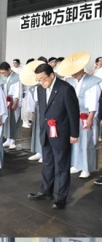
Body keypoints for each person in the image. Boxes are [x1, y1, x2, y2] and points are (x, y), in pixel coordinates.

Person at [27, 63, 80, 209]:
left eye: (43, 79)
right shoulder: (40, 89)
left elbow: (73, 113)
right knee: (48, 163)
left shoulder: (65, 89)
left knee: (62, 166)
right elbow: (43, 110)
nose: (41, 83)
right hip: (46, 132)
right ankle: (46, 191)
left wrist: (74, 134)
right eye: (38, 80)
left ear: (52, 75)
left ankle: (60, 197)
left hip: (61, 133)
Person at [64, 57, 100, 179]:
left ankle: (86, 167)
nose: (73, 74)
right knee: (75, 139)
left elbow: (94, 102)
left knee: (87, 141)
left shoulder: (92, 81)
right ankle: (77, 164)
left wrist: (90, 117)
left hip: (86, 115)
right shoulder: (72, 81)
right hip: (75, 114)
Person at [0, 62, 22, 149]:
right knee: (7, 120)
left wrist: (16, 103)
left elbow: (18, 92)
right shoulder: (4, 77)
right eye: (2, 73)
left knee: (14, 120)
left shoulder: (17, 77)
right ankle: (8, 139)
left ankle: (13, 140)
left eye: (4, 72)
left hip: (13, 100)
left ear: (9, 70)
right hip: (6, 100)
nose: (3, 74)